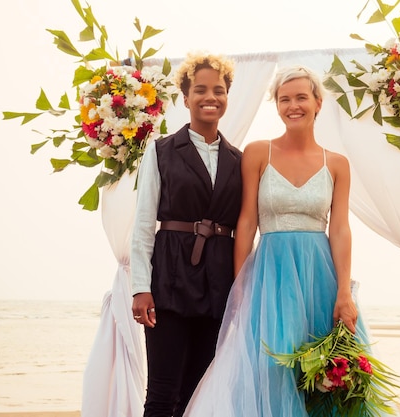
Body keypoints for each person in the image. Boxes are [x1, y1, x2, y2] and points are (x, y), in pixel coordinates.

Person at [183, 66, 376, 417]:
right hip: (270, 278)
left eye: (301, 97)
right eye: (284, 99)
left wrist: (344, 292)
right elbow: (246, 222)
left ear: (318, 103)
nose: (293, 106)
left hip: (320, 276)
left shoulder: (337, 164)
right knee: (273, 369)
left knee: (327, 378)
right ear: (276, 105)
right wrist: (241, 285)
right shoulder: (258, 153)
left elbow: (340, 229)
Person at [130, 51, 243, 417]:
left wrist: (241, 290)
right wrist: (140, 286)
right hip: (170, 279)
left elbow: (245, 227)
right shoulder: (161, 150)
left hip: (218, 285)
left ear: (227, 96)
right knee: (163, 393)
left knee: (200, 393)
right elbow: (144, 223)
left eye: (219, 90)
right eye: (201, 90)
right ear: (186, 97)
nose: (210, 97)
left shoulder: (239, 159)